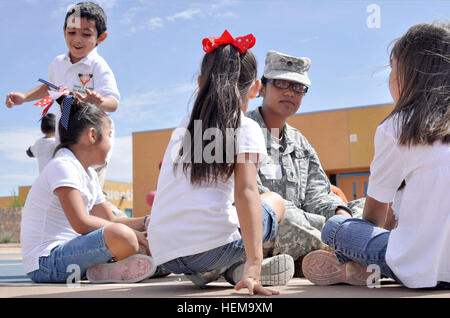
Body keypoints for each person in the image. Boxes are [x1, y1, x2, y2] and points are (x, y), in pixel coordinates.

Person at [302, 22, 449, 289]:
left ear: (408, 72)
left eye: (392, 68)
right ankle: (368, 268)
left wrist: (365, 245)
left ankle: (362, 267)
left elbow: (373, 215)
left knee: (336, 226)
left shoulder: (399, 126)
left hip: (419, 269)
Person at [147, 30, 294, 296]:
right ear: (256, 89)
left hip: (164, 253)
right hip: (212, 250)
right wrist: (254, 263)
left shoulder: (183, 128)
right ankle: (238, 267)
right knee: (274, 200)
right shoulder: (245, 127)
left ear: (201, 82)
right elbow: (246, 192)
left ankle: (213, 271)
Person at [246, 51, 363, 275]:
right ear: (261, 88)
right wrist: (331, 226)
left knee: (363, 207)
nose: (290, 92)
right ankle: (351, 252)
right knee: (287, 217)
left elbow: (318, 194)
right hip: (268, 229)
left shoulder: (301, 143)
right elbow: (254, 200)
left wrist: (338, 212)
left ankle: (328, 257)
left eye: (299, 87)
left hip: (307, 229)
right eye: (281, 83)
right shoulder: (243, 131)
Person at [20, 96, 155, 284]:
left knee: (149, 240)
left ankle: (110, 269)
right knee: (122, 236)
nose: (110, 142)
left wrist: (148, 222)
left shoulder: (89, 174)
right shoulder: (63, 165)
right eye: (109, 135)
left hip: (73, 253)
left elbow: (112, 220)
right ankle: (120, 264)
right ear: (92, 135)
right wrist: (135, 235)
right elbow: (81, 223)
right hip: (46, 262)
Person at [5, 1, 120, 188]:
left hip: (93, 142)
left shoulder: (98, 66)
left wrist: (98, 101)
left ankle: (112, 217)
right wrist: (24, 97)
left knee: (90, 195)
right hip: (66, 141)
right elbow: (49, 88)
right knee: (67, 195)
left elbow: (113, 102)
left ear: (101, 37)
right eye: (72, 32)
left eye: (86, 34)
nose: (78, 39)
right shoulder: (59, 63)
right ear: (64, 30)